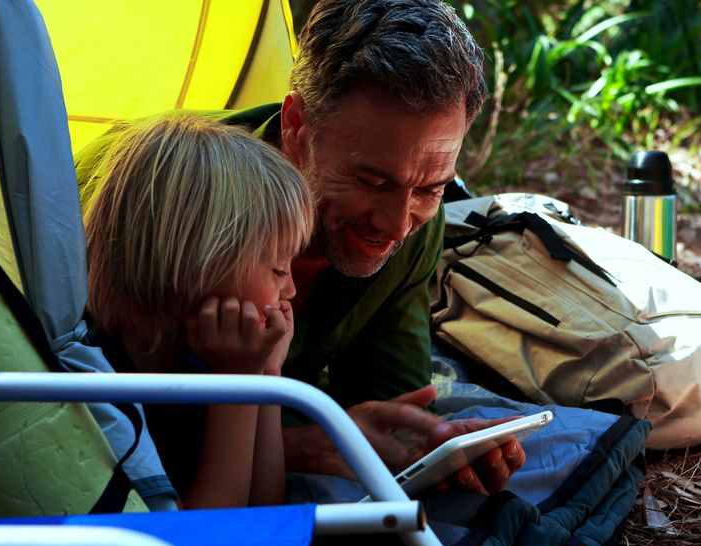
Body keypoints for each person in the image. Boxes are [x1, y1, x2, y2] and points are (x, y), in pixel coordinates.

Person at [76, 0, 524, 495]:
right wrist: (308, 441)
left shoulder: (414, 226)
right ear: (296, 126)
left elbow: (389, 407)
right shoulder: (157, 196)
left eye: (430, 189)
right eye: (371, 180)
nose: (396, 225)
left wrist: (429, 447)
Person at [79, 113, 316, 508]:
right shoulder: (102, 380)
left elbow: (265, 513)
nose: (290, 288)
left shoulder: (193, 360)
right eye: (277, 268)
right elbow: (212, 540)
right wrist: (237, 384)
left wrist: (266, 374)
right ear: (199, 263)